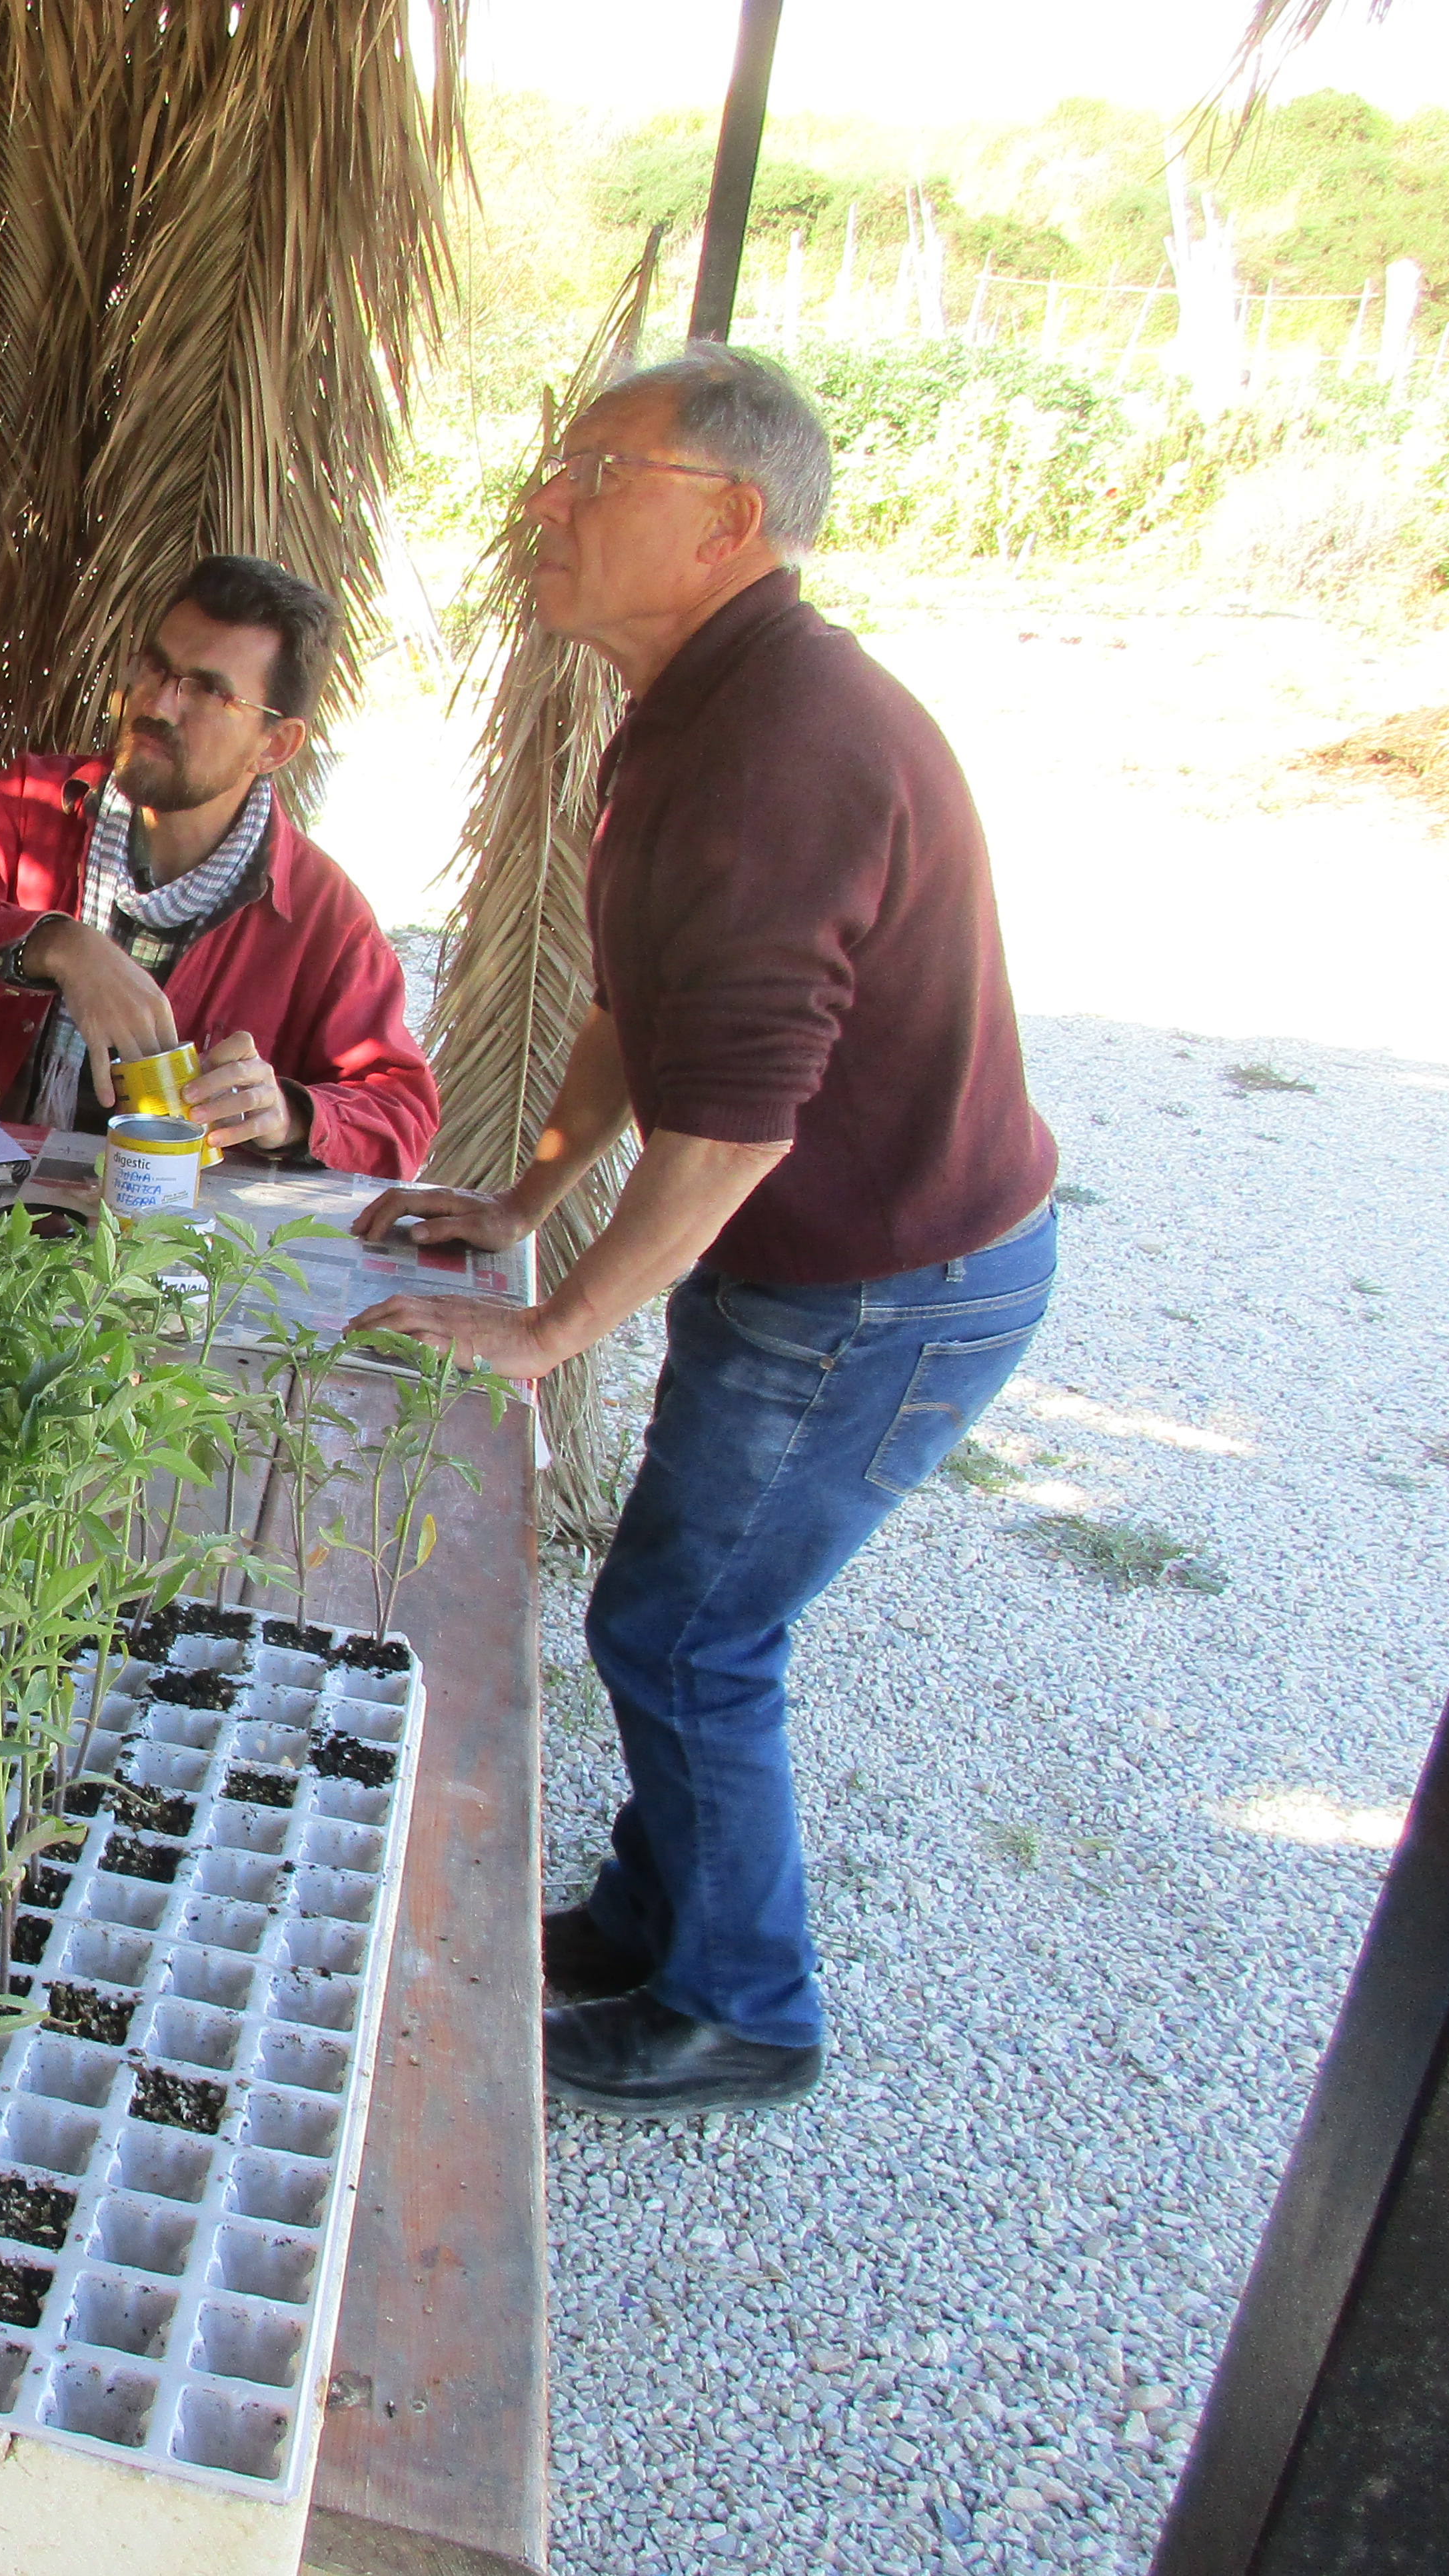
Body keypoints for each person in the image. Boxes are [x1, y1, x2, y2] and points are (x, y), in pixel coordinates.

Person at [355, 347, 1059, 2117]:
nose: (548, 508)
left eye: (598, 476)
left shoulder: (785, 746)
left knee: (684, 1630)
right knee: (685, 1607)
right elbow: (640, 1011)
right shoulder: (699, 709)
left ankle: (745, 2005)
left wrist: (542, 1330)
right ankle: (653, 1916)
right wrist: (529, 1191)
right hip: (811, 1271)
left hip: (885, 1284)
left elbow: (738, 1124)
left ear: (727, 521)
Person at [0, 555, 439, 1177]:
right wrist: (54, 945)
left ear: (275, 745)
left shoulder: (323, 917)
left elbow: (401, 1116)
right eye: (156, 665)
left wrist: (287, 1112)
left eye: (208, 691)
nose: (157, 702)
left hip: (163, 1252)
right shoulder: (33, 805)